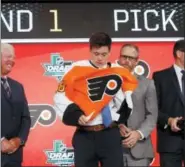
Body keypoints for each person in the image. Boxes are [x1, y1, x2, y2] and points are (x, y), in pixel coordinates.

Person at [53, 32, 137, 167]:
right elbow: (60, 95)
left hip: (110, 134)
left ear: (110, 52)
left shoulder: (118, 72)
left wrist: (120, 116)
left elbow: (125, 103)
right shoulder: (76, 69)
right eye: (96, 54)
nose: (99, 58)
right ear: (90, 50)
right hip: (85, 135)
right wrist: (76, 114)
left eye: (104, 54)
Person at [116, 44, 158, 166]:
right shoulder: (109, 83)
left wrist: (138, 134)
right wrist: (117, 126)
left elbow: (152, 116)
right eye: (124, 56)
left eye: (131, 58)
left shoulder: (148, 84)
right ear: (119, 58)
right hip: (112, 148)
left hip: (139, 150)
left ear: (136, 62)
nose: (127, 61)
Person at [153, 39, 185, 167]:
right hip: (170, 141)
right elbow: (153, 108)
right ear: (179, 53)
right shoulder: (160, 77)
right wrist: (169, 120)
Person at [1, 43, 31, 167]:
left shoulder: (18, 86)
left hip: (14, 155)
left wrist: (19, 140)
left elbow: (26, 118)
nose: (12, 61)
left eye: (13, 58)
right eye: (8, 57)